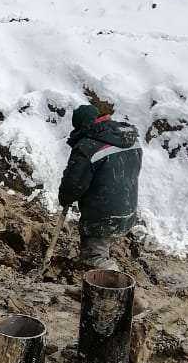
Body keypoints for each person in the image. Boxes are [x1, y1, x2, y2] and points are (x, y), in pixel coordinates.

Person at [58, 103, 142, 269]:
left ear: (81, 126)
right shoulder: (131, 139)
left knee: (94, 258)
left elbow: (73, 185)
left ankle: (109, 275)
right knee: (105, 242)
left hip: (103, 219)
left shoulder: (88, 146)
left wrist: (65, 198)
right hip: (128, 212)